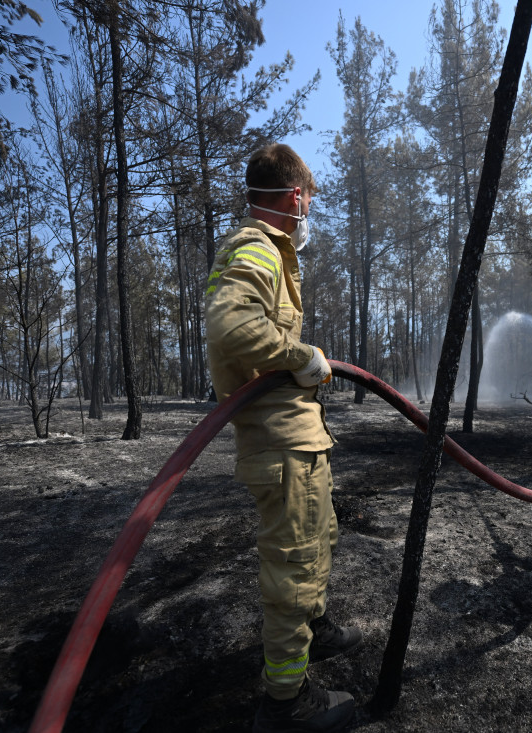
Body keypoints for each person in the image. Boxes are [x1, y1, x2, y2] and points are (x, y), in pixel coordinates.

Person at [205, 143, 360, 733]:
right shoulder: (257, 246)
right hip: (280, 443)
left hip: (300, 440)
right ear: (295, 197)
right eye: (309, 202)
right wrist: (300, 355)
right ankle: (285, 705)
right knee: (293, 568)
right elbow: (230, 322)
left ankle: (312, 632)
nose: (309, 213)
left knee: (318, 540)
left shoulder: (271, 251)